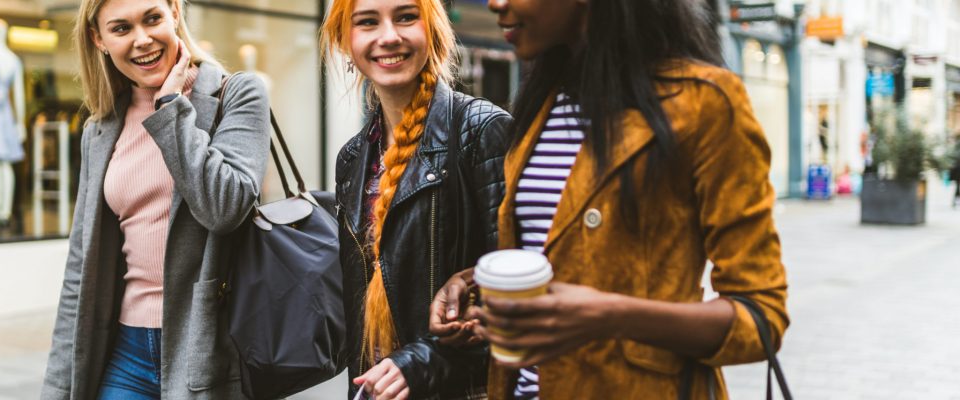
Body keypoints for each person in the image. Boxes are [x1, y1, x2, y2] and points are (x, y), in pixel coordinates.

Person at [430, 0, 790, 398]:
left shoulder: (705, 102)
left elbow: (761, 318)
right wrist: (476, 283)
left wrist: (611, 315)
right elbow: (559, 250)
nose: (496, 2)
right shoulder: (543, 102)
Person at [41, 0, 271, 398]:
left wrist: (170, 107)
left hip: (208, 347)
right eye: (121, 28)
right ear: (99, 39)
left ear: (175, 15)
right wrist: (58, 388)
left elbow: (225, 207)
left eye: (152, 19)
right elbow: (81, 266)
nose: (142, 40)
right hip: (125, 352)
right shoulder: (101, 128)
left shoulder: (237, 93)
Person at [321, 0, 513, 398]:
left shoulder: (480, 131)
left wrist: (422, 363)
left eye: (406, 17)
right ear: (345, 40)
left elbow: (514, 293)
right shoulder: (353, 158)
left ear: (433, 30)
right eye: (367, 22)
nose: (388, 36)